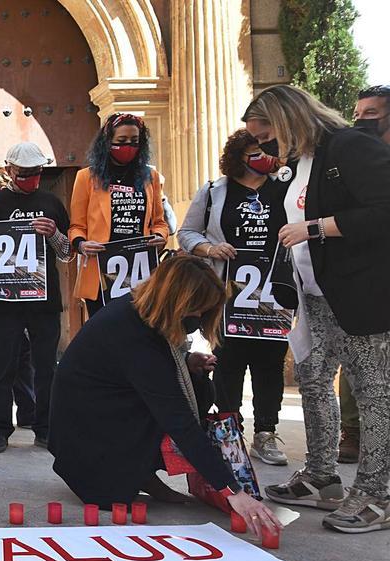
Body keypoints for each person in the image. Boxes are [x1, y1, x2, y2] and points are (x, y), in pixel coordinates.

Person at [50, 256, 282, 537]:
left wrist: (184, 362)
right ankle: (131, 473)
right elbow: (179, 421)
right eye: (196, 311)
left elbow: (138, 373)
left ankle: (142, 473)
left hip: (102, 416)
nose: (197, 321)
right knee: (177, 405)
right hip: (87, 449)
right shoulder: (134, 335)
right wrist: (233, 490)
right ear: (178, 303)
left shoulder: (138, 312)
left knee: (198, 387)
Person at [245, 84, 390, 533]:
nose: (264, 145)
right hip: (314, 295)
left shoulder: (349, 146)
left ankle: (377, 492)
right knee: (312, 379)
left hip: (359, 294)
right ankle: (321, 477)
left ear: (288, 119)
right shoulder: (302, 161)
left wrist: (317, 227)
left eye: (267, 134)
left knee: (373, 392)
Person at [178, 128, 290, 466]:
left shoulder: (284, 188)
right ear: (239, 156)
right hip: (227, 292)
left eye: (268, 151)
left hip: (274, 292)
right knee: (228, 360)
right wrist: (210, 248)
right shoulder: (214, 191)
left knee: (271, 361)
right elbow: (186, 233)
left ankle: (267, 433)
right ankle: (229, 428)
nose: (264, 158)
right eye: (256, 152)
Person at [0, 142, 73, 453]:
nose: (31, 179)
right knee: (2, 366)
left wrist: (53, 233)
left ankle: (45, 427)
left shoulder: (52, 203)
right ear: (9, 171)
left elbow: (67, 253)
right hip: (3, 301)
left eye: (37, 173)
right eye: (24, 174)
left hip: (43, 301)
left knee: (46, 367)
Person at [68, 113, 169, 316]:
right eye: (121, 141)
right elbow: (76, 227)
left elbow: (160, 222)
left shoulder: (151, 177)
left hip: (140, 269)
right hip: (99, 271)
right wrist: (81, 244)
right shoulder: (86, 177)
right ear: (107, 142)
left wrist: (160, 236)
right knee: (103, 335)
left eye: (134, 141)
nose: (128, 147)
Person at [337, 84, 390, 462]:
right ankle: (353, 434)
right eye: (356, 114)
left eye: (370, 114)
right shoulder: (355, 164)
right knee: (360, 364)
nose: (360, 122)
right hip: (369, 278)